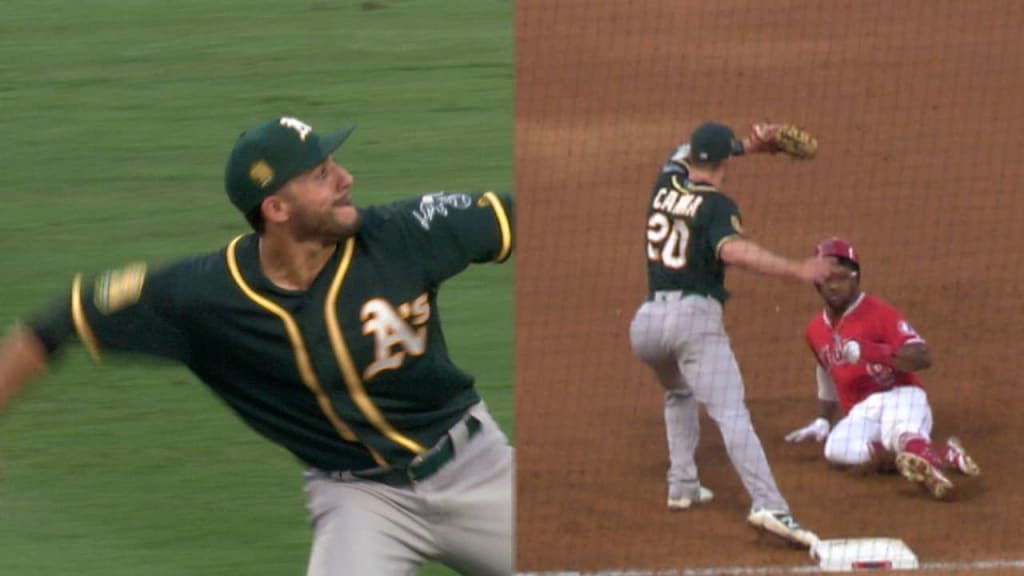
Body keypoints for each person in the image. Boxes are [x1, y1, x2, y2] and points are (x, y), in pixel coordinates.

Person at [0, 116, 514, 575]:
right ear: (276, 208)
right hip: (362, 499)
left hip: (475, 470)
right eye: (321, 175)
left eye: (335, 164)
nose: (345, 180)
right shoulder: (201, 297)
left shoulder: (404, 233)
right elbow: (53, 326)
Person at [628, 121, 831, 549]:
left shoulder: (665, 183)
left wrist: (744, 146)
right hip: (693, 321)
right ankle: (770, 505)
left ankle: (682, 483)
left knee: (677, 391)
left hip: (646, 325)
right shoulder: (717, 206)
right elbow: (734, 250)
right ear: (724, 163)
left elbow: (680, 149)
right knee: (732, 413)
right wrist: (797, 269)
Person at [785, 237, 980, 499]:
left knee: (902, 432)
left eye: (841, 277)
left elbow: (922, 357)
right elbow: (824, 368)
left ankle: (938, 480)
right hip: (862, 412)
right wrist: (823, 419)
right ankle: (940, 454)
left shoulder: (879, 313)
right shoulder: (814, 330)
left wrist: (870, 351)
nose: (834, 285)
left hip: (901, 395)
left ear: (856, 278)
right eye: (826, 278)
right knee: (837, 448)